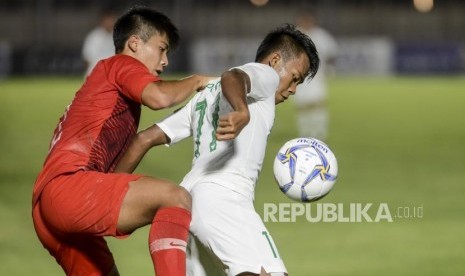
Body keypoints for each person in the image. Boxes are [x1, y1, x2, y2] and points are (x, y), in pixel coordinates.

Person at [115, 24, 320, 276]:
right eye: (295, 77)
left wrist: (106, 195)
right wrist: (241, 111)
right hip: (224, 198)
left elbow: (143, 139)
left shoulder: (204, 96)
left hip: (187, 205)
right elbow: (232, 77)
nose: (293, 89)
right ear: (275, 60)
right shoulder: (266, 75)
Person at [32, 7, 215, 276]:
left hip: (48, 209)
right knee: (174, 198)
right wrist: (198, 80)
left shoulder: (107, 93)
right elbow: (160, 98)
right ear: (134, 43)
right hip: (70, 190)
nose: (164, 62)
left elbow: (114, 176)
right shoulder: (120, 64)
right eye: (162, 49)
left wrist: (145, 139)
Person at [294, 11, 337, 141]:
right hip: (300, 76)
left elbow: (332, 52)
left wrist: (330, 68)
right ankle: (305, 133)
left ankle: (319, 133)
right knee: (302, 106)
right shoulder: (295, 35)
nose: (307, 23)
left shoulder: (321, 35)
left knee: (318, 104)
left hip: (317, 76)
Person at [82, 7, 118, 76]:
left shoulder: (118, 36)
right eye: (108, 19)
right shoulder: (94, 37)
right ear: (102, 20)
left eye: (112, 19)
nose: (110, 22)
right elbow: (87, 58)